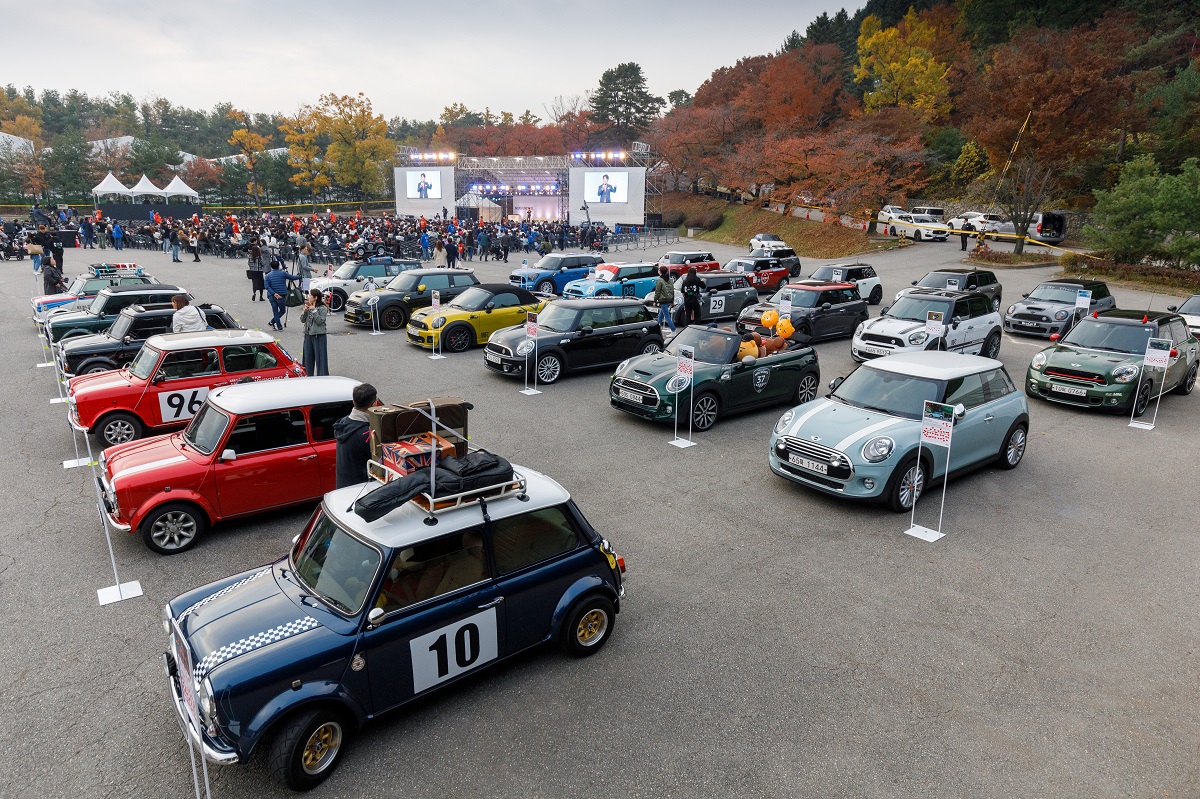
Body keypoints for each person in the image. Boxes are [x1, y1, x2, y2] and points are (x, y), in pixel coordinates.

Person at [334, 383, 379, 489]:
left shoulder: (343, 423)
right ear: (374, 404)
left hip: (343, 488)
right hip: (359, 492)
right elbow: (380, 463)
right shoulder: (365, 434)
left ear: (353, 402)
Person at [263, 259, 300, 331]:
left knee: (275, 310)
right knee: (282, 310)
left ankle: (277, 325)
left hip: (271, 295)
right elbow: (292, 277)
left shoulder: (267, 275)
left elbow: (267, 286)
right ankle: (274, 323)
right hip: (281, 294)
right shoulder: (283, 273)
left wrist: (274, 293)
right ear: (279, 266)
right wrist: (300, 276)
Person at [300, 288, 329, 376]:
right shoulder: (308, 306)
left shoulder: (322, 308)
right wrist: (305, 311)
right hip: (308, 334)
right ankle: (308, 376)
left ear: (315, 297)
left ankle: (323, 376)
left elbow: (320, 321)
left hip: (318, 335)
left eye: (310, 295)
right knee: (307, 358)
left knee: (321, 358)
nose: (308, 297)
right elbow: (302, 320)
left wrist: (314, 310)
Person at [652, 266, 677, 333]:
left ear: (660, 272)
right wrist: (672, 301)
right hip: (669, 299)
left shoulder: (660, 280)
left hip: (663, 300)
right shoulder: (670, 280)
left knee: (667, 317)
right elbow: (672, 290)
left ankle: (673, 331)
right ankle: (657, 328)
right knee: (661, 315)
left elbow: (657, 291)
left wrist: (655, 301)